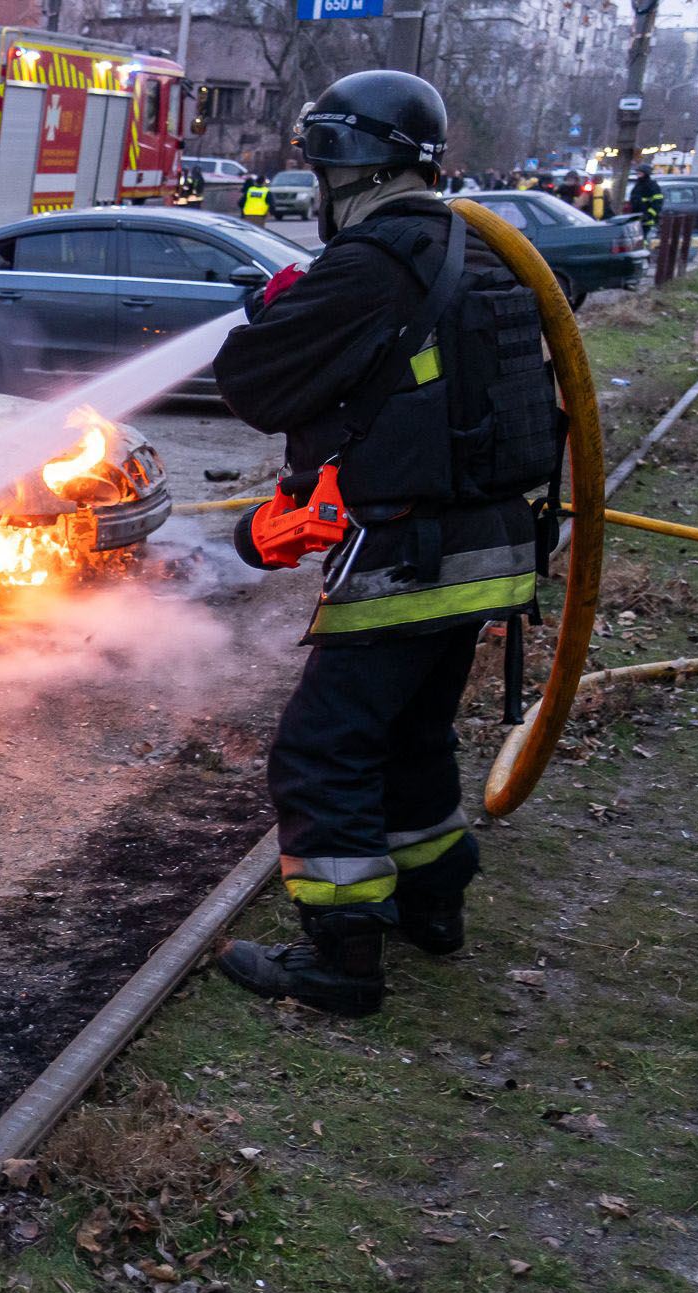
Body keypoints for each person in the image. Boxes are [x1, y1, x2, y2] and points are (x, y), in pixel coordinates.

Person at [210, 69, 561, 1017]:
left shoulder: (372, 262)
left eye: (319, 167)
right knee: (410, 737)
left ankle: (342, 960)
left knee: (319, 751)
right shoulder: (477, 246)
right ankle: (433, 908)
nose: (315, 190)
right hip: (492, 547)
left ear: (344, 163)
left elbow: (253, 386)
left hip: (411, 552)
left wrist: (276, 313)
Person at [630, 165, 665, 236]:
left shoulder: (653, 186)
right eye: (637, 173)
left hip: (647, 220)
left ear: (646, 173)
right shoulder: (638, 184)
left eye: (640, 173)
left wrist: (649, 215)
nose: (638, 175)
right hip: (637, 217)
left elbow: (657, 203)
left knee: (644, 239)